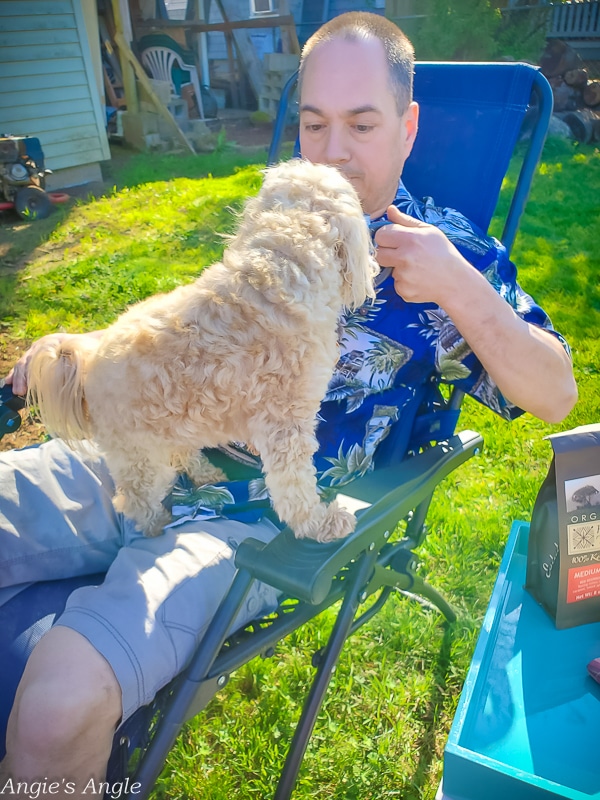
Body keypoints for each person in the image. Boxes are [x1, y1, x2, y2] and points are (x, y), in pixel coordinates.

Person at [0, 11, 576, 797]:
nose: (333, 153)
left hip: (245, 528)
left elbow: (556, 394)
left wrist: (461, 290)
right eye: (313, 123)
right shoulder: (281, 206)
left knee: (52, 713)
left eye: (362, 125)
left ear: (408, 128)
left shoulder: (449, 253)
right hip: (131, 452)